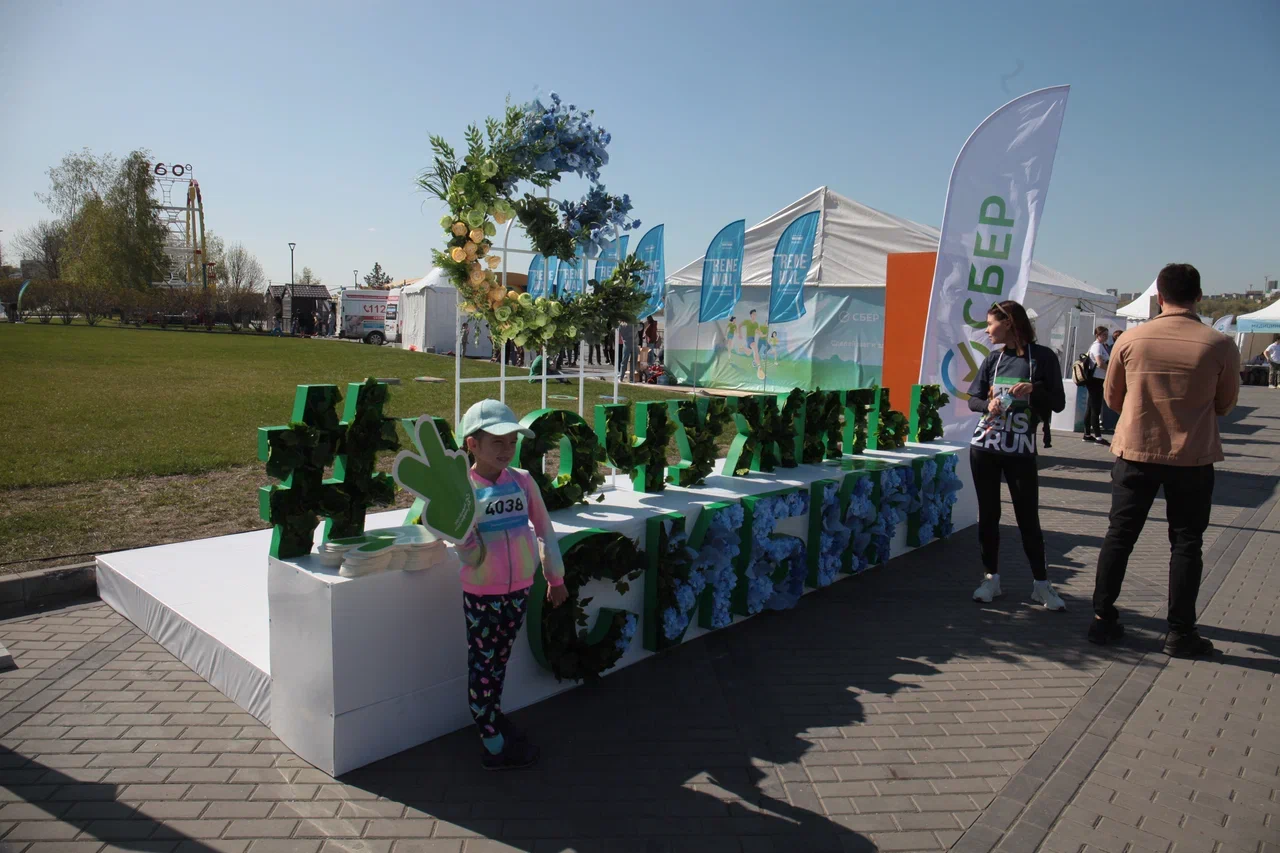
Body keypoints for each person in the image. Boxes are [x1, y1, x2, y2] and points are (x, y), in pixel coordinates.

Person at [1088, 263, 1240, 658]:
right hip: (1192, 456)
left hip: (1135, 451)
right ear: (1199, 296)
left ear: (1159, 296)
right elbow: (1225, 404)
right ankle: (1180, 632)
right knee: (1187, 542)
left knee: (1120, 535)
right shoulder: (1220, 344)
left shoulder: (1131, 340)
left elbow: (1112, 399)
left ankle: (1102, 619)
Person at [455, 400, 568, 769]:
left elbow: (544, 528)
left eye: (512, 442)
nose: (507, 450)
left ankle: (493, 715)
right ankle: (491, 742)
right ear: (473, 444)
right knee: (483, 665)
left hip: (519, 590)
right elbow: (463, 546)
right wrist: (465, 543)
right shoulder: (462, 489)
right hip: (482, 595)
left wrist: (554, 577)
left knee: (499, 660)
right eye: (497, 442)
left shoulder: (522, 480)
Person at [967, 300, 1067, 610]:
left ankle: (1041, 585)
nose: (987, 330)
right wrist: (988, 405)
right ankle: (991, 579)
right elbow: (973, 399)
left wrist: (1033, 389)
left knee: (1027, 518)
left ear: (1009, 322)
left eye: (991, 323)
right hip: (985, 446)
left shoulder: (1043, 358)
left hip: (1020, 450)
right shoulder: (993, 359)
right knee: (989, 515)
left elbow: (1058, 403)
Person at [1083, 326, 1110, 444]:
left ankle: (1087, 434)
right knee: (1095, 407)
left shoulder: (1101, 345)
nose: (1106, 337)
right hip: (1095, 380)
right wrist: (1110, 370)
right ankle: (1098, 437)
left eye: (1107, 335)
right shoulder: (1097, 346)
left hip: (1097, 379)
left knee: (1091, 407)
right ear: (1097, 335)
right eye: (1103, 335)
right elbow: (1099, 363)